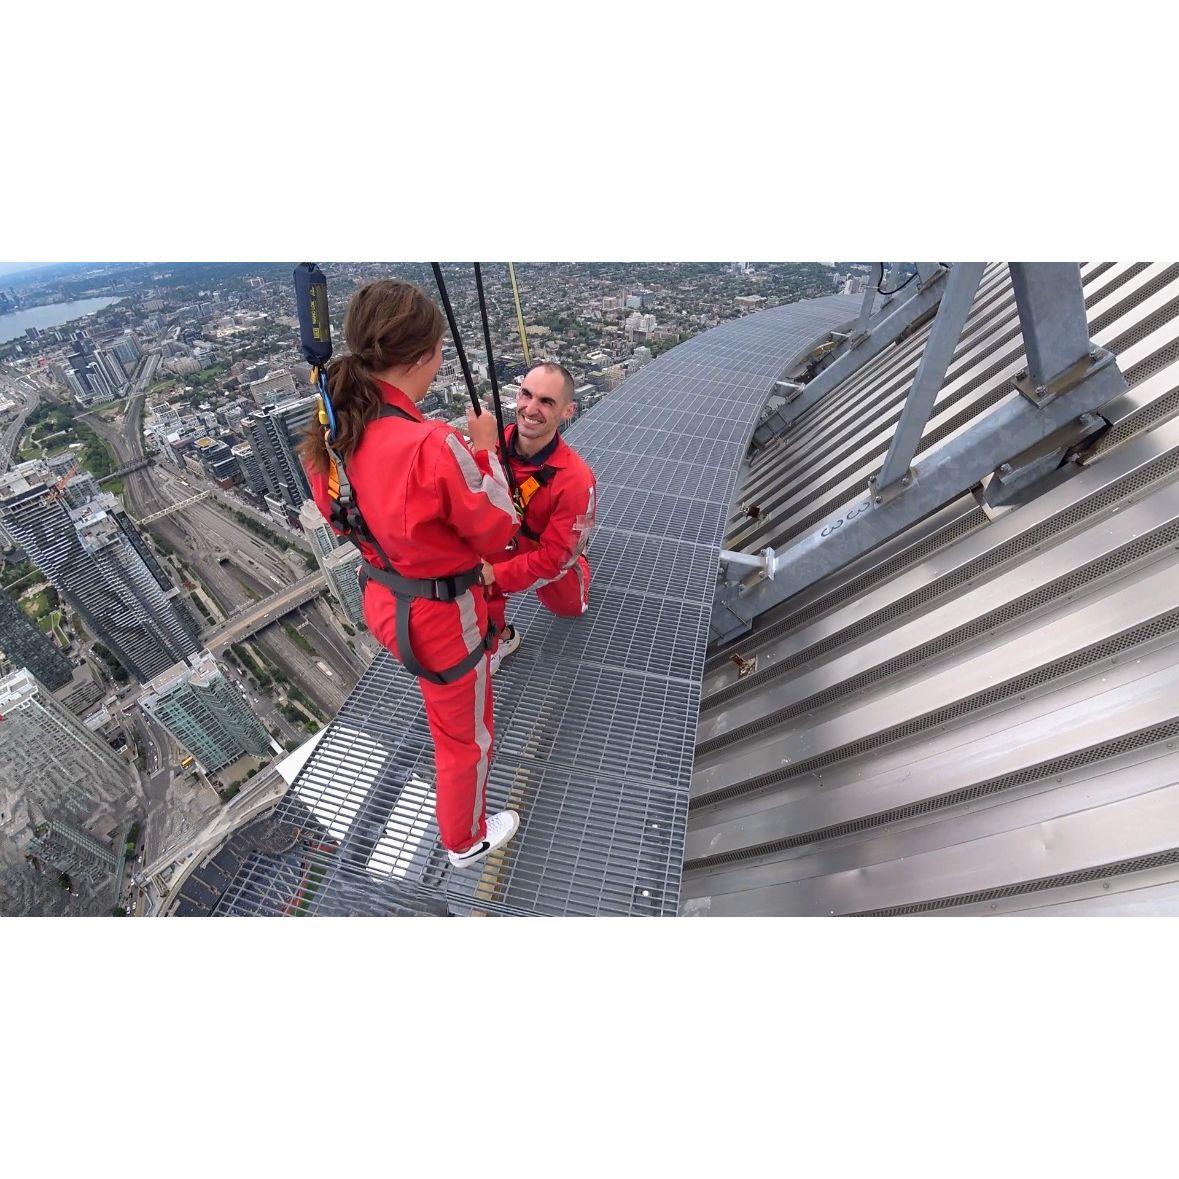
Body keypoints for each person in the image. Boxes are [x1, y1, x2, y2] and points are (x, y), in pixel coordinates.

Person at [300, 280, 522, 870]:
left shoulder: (333, 429)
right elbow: (499, 529)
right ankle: (465, 841)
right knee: (465, 738)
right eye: (440, 350)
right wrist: (484, 451)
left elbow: (336, 511)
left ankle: (486, 657)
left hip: (385, 599)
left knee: (449, 701)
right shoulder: (430, 445)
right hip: (443, 619)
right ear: (423, 355)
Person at [481, 361, 597, 673]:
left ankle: (580, 554)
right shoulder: (491, 446)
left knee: (569, 607)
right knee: (471, 579)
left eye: (546, 401)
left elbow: (555, 560)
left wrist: (496, 574)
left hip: (544, 549)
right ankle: (497, 638)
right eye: (526, 395)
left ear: (568, 411)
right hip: (502, 539)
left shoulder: (576, 481)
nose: (531, 409)